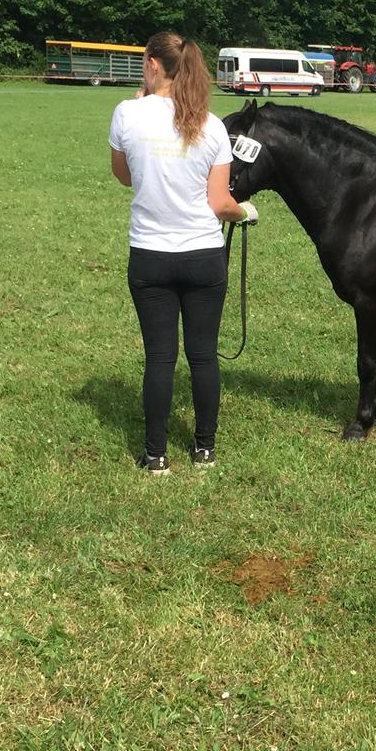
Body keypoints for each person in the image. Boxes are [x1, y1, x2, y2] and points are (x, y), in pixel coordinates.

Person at [109, 32, 258, 472]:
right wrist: (244, 211)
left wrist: (138, 108)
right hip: (202, 258)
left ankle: (155, 455)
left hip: (150, 255)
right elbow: (219, 204)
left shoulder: (126, 114)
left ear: (154, 64)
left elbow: (124, 176)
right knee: (203, 354)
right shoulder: (211, 125)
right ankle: (205, 449)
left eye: (142, 61)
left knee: (159, 357)